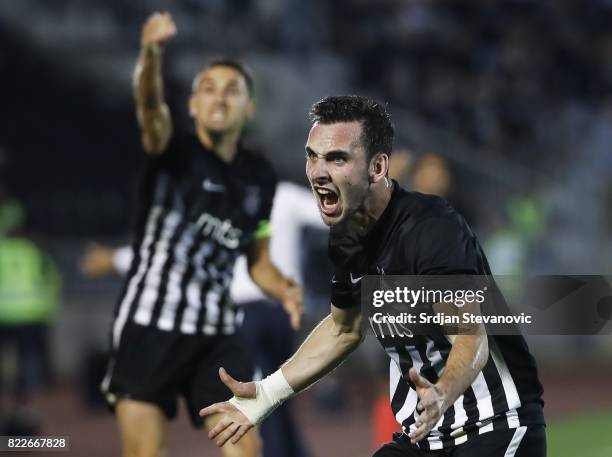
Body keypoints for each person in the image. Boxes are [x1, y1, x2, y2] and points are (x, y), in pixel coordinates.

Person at [200, 95, 546, 456]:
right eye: (312, 156)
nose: (318, 171)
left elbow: (471, 337)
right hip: (424, 437)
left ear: (378, 167)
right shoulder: (347, 237)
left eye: (337, 158)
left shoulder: (432, 227)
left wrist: (441, 392)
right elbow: (343, 328)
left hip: (496, 425)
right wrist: (268, 393)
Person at [100, 12, 303, 457]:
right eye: (208, 89)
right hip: (148, 325)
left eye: (233, 91)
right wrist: (151, 54)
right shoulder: (172, 153)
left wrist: (284, 288)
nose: (219, 98)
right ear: (191, 105)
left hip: (217, 332)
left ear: (249, 108)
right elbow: (151, 110)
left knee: (247, 448)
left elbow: (258, 261)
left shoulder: (260, 177)